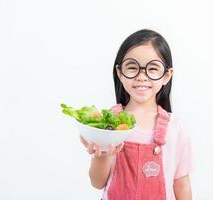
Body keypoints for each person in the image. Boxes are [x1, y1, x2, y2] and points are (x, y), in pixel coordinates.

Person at [80, 29, 193, 200]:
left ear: (167, 75)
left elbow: (181, 183)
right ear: (119, 73)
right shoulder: (109, 123)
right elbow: (97, 182)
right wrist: (101, 156)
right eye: (132, 67)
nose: (141, 76)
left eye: (153, 68)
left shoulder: (175, 127)